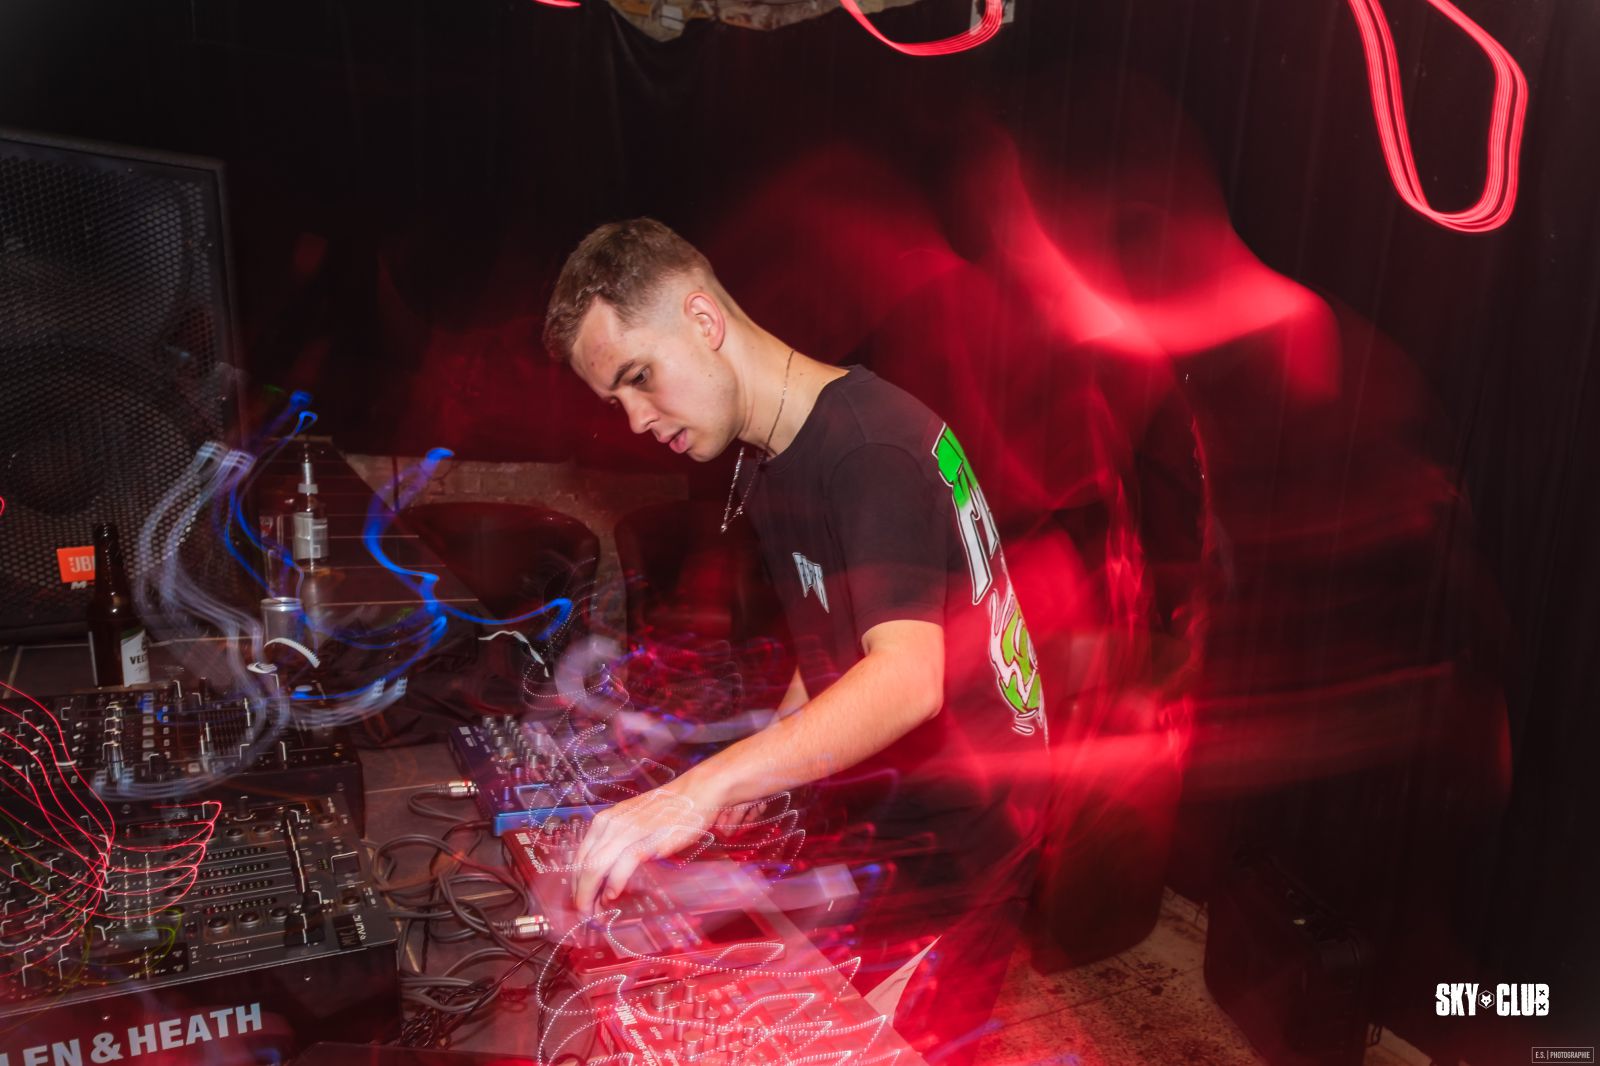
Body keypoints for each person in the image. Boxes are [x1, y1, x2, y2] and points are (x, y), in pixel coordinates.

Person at [542, 218, 1049, 1063]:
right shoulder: (773, 457)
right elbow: (835, 643)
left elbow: (905, 679)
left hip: (968, 832)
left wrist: (696, 793)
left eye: (639, 377)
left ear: (703, 320)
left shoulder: (869, 451)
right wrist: (764, 763)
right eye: (615, 400)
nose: (634, 420)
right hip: (900, 812)